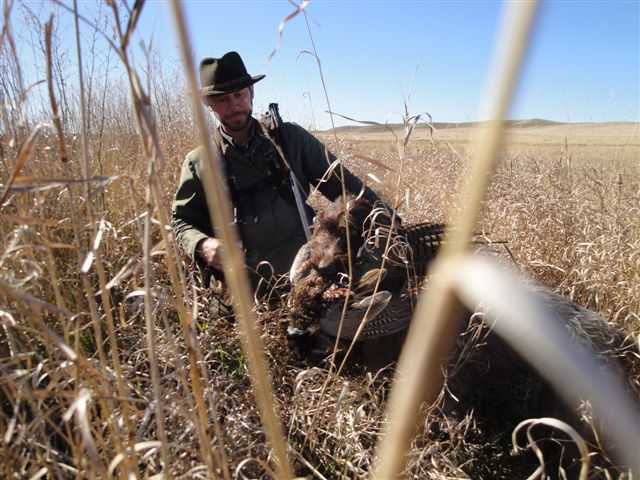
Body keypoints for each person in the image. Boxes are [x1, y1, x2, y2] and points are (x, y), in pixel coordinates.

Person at [172, 51, 389, 292]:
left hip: (309, 257)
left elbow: (345, 184)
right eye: (223, 99)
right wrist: (202, 245)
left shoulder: (290, 138)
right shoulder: (199, 162)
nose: (233, 105)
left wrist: (389, 220)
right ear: (208, 103)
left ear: (251, 92)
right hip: (246, 275)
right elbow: (181, 221)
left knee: (371, 285)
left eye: (239, 95)